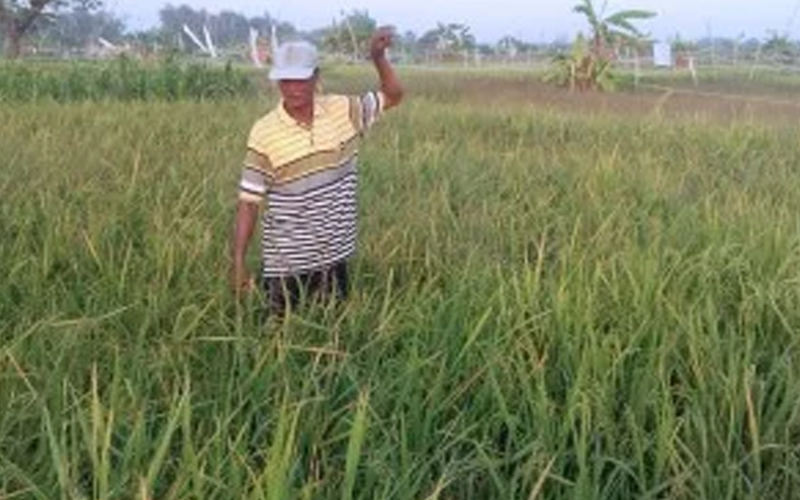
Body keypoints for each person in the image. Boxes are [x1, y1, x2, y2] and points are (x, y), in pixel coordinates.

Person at [230, 27, 404, 315]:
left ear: (316, 78)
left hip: (335, 259)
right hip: (285, 265)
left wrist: (378, 57)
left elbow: (394, 95)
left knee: (334, 335)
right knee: (279, 343)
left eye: (301, 79)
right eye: (286, 80)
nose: (293, 88)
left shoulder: (343, 110)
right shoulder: (264, 132)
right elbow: (249, 202)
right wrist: (237, 262)